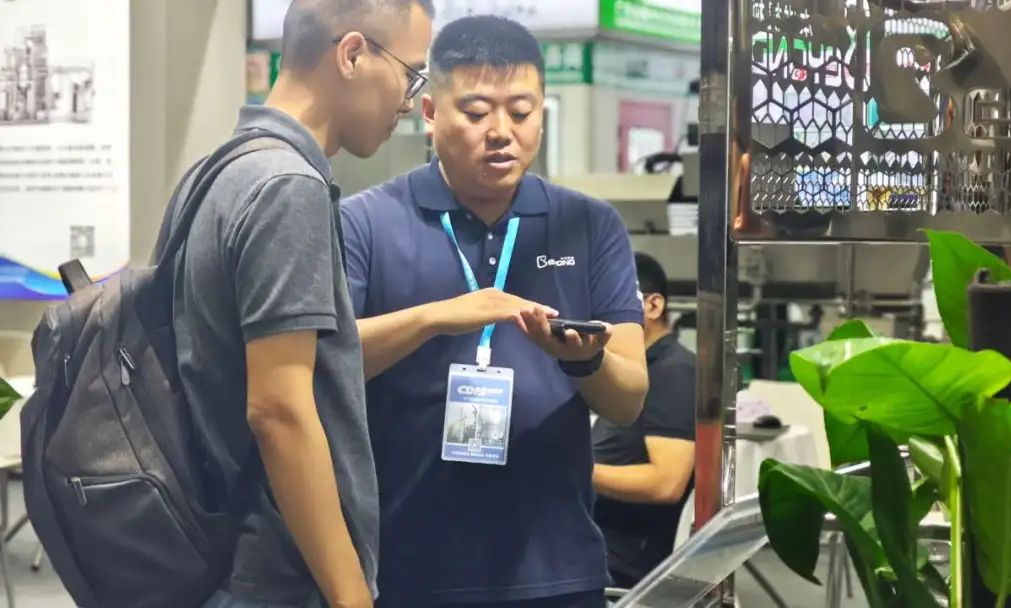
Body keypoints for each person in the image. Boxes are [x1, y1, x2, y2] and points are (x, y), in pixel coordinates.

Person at [339, 15, 649, 608]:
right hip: (405, 567)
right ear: (430, 113)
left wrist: (582, 362)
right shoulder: (365, 222)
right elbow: (325, 365)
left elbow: (628, 400)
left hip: (556, 569)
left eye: (522, 112)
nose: (501, 132)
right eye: (477, 112)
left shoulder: (589, 224)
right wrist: (434, 317)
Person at [152, 1, 434, 607]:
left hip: (210, 553)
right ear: (352, 54)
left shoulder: (216, 171)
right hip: (273, 573)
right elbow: (279, 410)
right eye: (411, 74)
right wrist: (351, 596)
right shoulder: (289, 187)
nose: (410, 102)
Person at [591, 252, 697, 588]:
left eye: (612, 300)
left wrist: (571, 470)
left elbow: (666, 482)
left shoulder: (673, 372)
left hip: (619, 561)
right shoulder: (635, 369)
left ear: (653, 306)